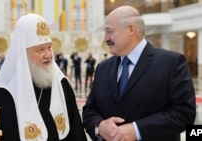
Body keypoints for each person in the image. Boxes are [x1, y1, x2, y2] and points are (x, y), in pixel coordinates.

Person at [82, 6, 196, 141]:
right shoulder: (103, 68)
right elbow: (89, 110)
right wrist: (99, 126)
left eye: (110, 31)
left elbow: (183, 113)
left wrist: (136, 130)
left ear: (131, 29)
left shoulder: (171, 63)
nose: (105, 38)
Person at [0, 13, 87, 141]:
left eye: (49, 48)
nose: (48, 55)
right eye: (40, 50)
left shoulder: (62, 85)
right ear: (23, 53)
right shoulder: (0, 92)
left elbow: (77, 133)